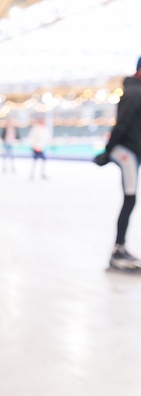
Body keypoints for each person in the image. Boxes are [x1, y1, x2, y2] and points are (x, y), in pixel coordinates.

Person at [93, 56, 141, 271]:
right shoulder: (133, 92)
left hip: (132, 149)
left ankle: (120, 248)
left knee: (130, 199)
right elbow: (121, 125)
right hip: (126, 151)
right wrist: (107, 152)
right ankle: (117, 250)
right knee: (130, 198)